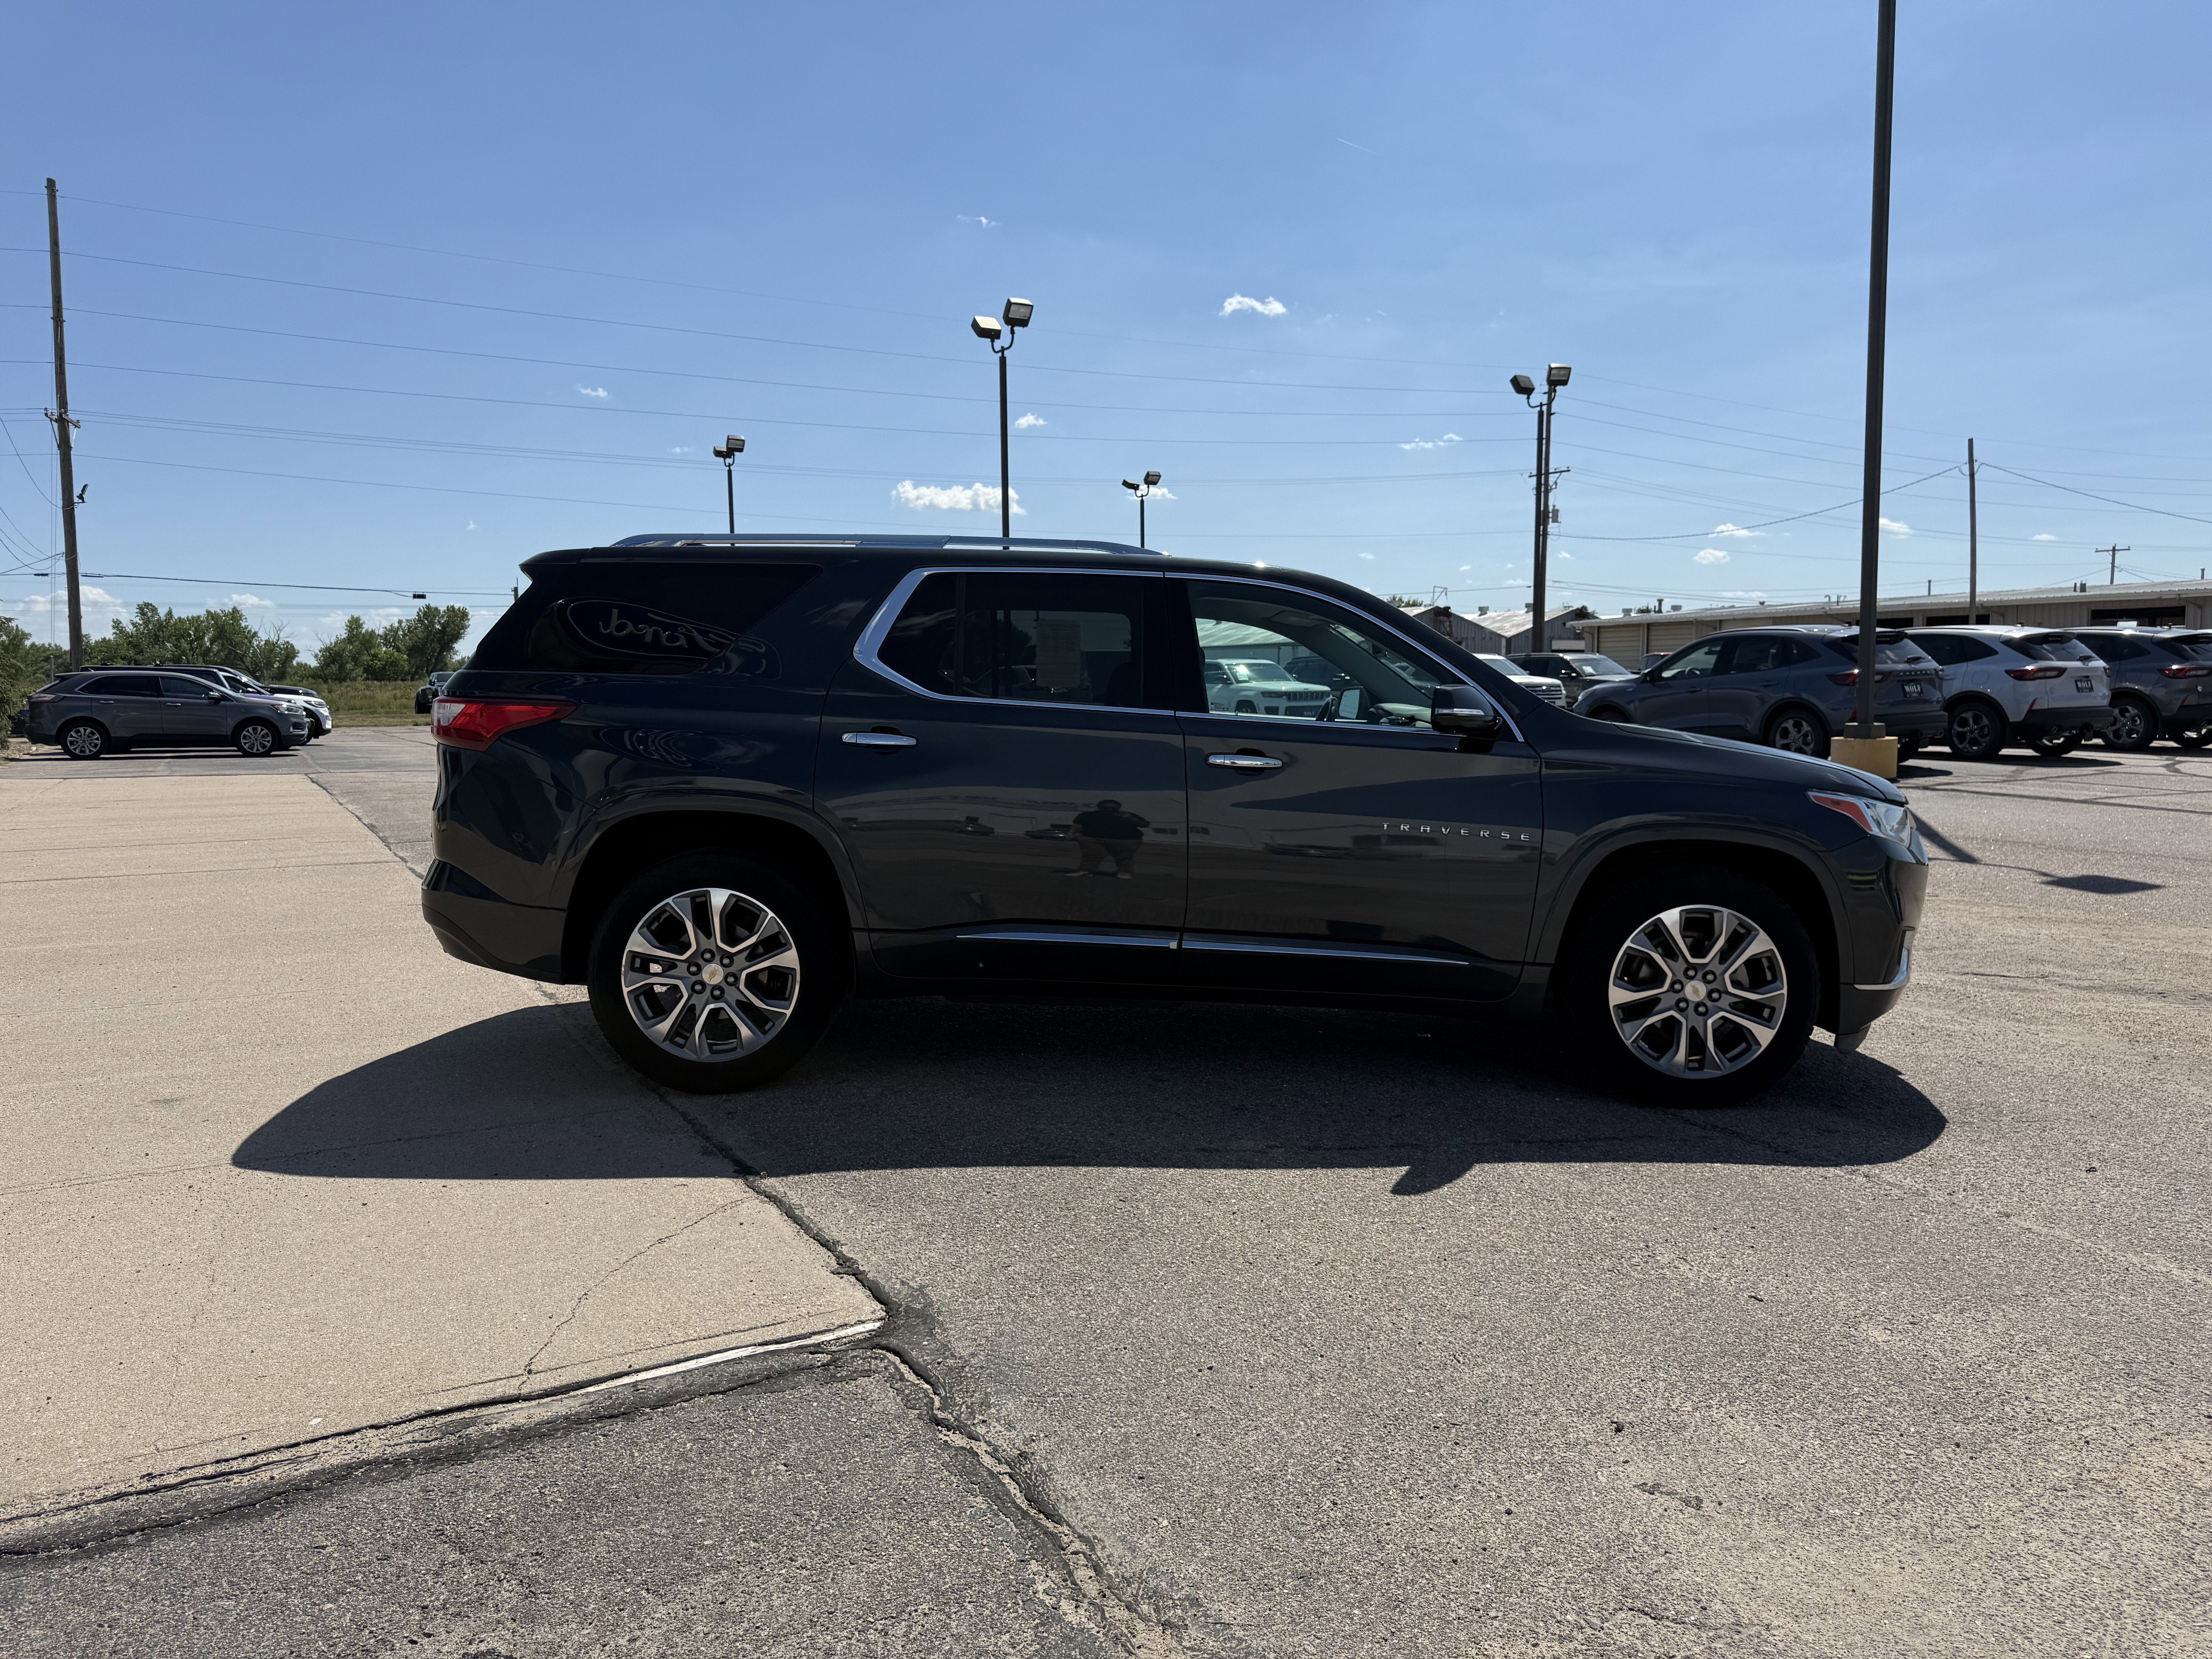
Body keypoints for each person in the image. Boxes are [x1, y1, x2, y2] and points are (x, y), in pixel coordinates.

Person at [1065, 798, 1149, 878]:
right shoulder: (1088, 815)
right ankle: (1085, 870)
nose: (1110, 809)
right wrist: (1072, 833)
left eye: (1113, 808)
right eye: (1106, 807)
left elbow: (1145, 825)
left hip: (1126, 840)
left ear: (1119, 808)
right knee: (1091, 856)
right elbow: (1078, 825)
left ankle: (1125, 872)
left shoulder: (1128, 815)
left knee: (1125, 857)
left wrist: (1131, 818)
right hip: (1094, 839)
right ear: (1100, 807)